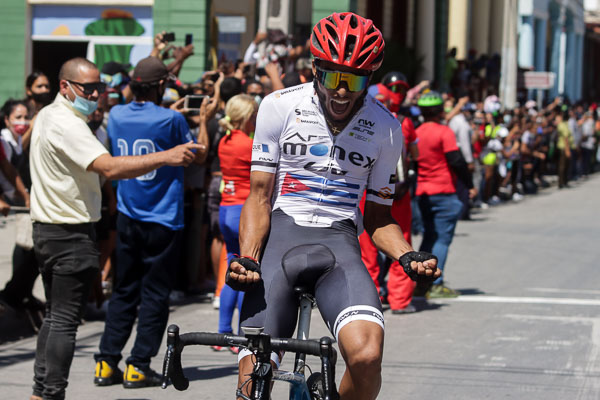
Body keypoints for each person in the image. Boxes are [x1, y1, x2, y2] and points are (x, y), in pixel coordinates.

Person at [228, 12, 439, 400]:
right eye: (332, 77)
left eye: (354, 80)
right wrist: (249, 257)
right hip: (280, 242)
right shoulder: (278, 106)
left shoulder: (386, 127)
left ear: (370, 77)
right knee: (254, 370)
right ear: (314, 68)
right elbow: (258, 197)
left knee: (367, 356)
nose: (341, 91)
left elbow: (378, 218)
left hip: (339, 245)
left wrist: (407, 256)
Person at [28, 57, 204, 400]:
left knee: (58, 316)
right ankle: (52, 393)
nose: (95, 94)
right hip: (71, 231)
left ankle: (50, 388)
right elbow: (108, 167)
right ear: (64, 86)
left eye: (99, 87)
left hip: (52, 229)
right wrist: (166, 156)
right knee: (65, 320)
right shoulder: (69, 123)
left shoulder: (51, 115)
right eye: (87, 88)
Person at [93, 56, 208, 389]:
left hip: (129, 213)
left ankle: (106, 362)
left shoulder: (115, 114)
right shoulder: (171, 119)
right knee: (155, 295)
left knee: (124, 291)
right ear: (160, 86)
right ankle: (139, 365)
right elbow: (197, 153)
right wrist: (202, 119)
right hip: (164, 218)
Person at [414, 91, 476, 299]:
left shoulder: (416, 132)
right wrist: (469, 184)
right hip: (443, 190)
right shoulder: (444, 132)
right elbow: (456, 160)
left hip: (422, 192)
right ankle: (434, 283)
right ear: (441, 110)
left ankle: (419, 281)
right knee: (442, 239)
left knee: (428, 237)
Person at [211, 94, 257, 353]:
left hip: (226, 208)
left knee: (231, 266)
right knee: (245, 271)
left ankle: (223, 332)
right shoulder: (248, 144)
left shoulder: (225, 141)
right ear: (246, 116)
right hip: (243, 211)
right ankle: (240, 337)